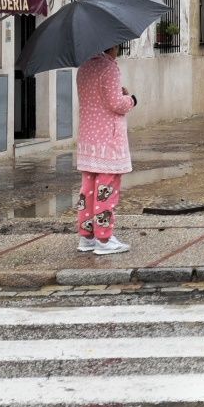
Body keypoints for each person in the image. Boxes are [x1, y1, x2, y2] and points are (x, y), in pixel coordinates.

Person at [75, 45, 135, 255]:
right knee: (106, 190)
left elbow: (96, 98)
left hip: (88, 140)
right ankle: (104, 238)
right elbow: (116, 104)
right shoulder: (108, 68)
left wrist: (118, 94)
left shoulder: (84, 67)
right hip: (108, 141)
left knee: (88, 190)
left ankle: (87, 236)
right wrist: (131, 99)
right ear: (113, 47)